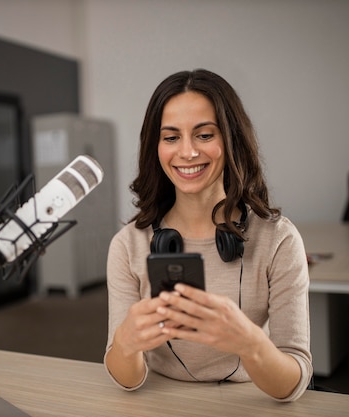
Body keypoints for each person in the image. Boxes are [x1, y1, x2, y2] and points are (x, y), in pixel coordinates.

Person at [104, 69, 312, 402]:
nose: (187, 152)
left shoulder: (279, 240)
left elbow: (292, 382)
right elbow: (126, 380)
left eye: (204, 135)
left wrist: (250, 342)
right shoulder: (128, 244)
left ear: (231, 140)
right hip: (163, 403)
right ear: (155, 147)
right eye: (171, 137)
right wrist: (126, 344)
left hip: (250, 403)